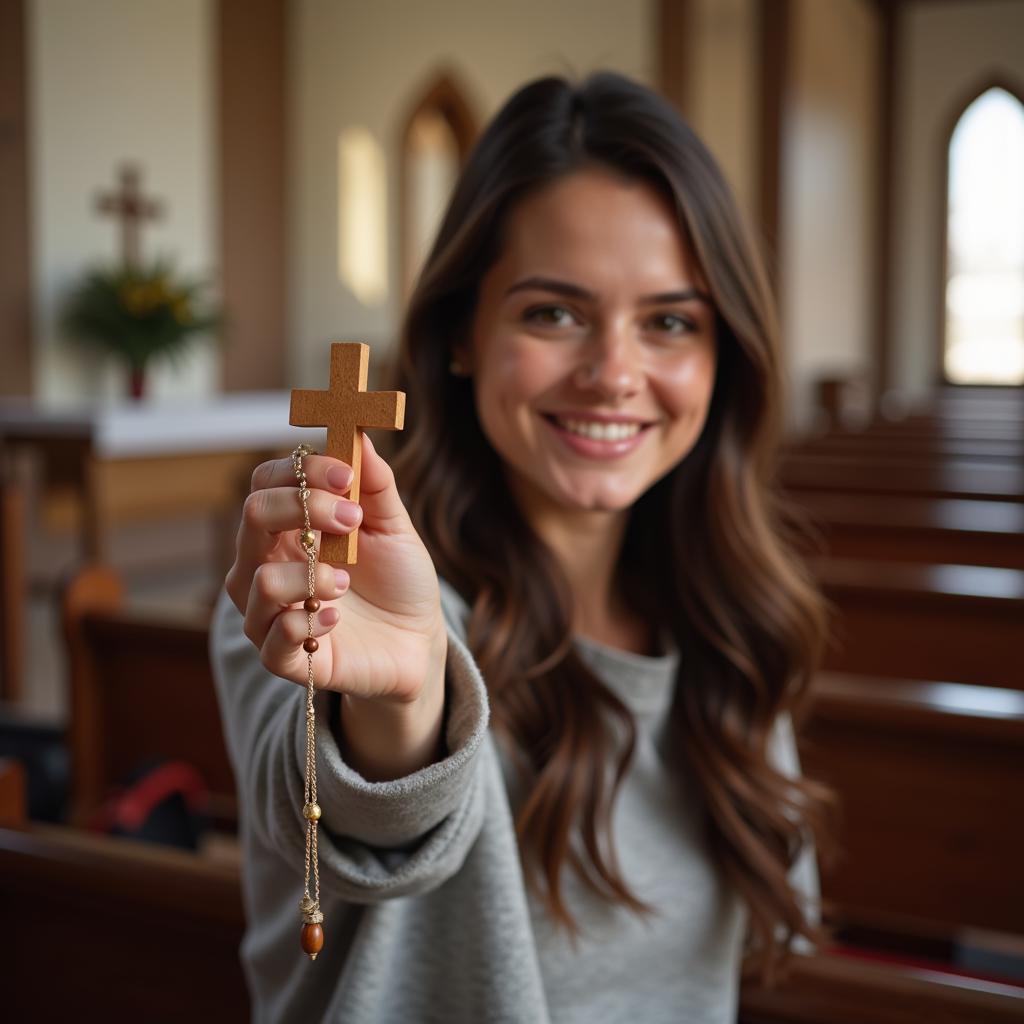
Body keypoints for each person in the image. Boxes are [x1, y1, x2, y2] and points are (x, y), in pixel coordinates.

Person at [211, 70, 832, 1024]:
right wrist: (406, 696)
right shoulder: (328, 563)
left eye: (669, 322)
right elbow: (355, 818)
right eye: (555, 312)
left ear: (722, 357)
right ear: (463, 330)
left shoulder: (722, 609)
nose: (614, 374)